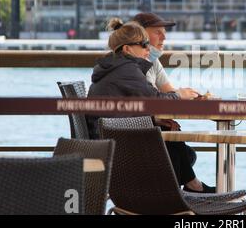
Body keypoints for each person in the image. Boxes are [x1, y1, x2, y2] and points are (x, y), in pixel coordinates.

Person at [86, 18, 215, 193]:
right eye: (143, 44)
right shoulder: (126, 70)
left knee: (171, 135)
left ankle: (180, 192)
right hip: (116, 148)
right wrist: (180, 94)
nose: (148, 48)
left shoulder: (118, 67)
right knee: (174, 146)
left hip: (108, 140)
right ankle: (175, 197)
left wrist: (153, 119)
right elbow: (156, 101)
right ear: (127, 48)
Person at [132, 12, 199, 166]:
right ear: (139, 35)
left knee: (179, 144)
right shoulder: (133, 66)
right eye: (158, 32)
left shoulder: (153, 62)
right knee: (182, 152)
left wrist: (185, 95)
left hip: (135, 128)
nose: (164, 37)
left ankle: (190, 186)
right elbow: (151, 100)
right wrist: (179, 95)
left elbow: (167, 94)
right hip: (128, 137)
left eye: (164, 32)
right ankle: (191, 186)